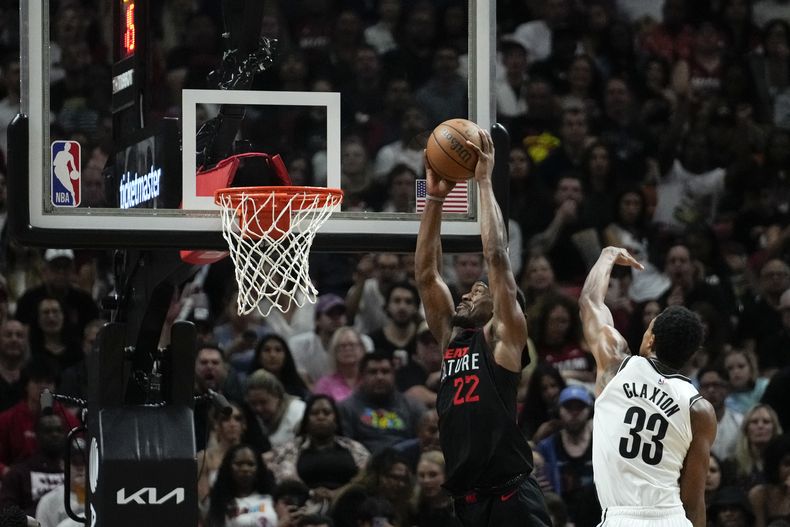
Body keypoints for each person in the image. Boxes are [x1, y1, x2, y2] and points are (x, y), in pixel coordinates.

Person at [414, 128, 551, 525]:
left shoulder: (503, 339)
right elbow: (426, 274)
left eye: (480, 290)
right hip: (467, 503)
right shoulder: (452, 337)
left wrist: (484, 181)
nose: (469, 293)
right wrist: (435, 198)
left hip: (511, 497)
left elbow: (495, 257)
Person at [579, 246, 717, 526]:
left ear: (651, 339)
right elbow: (693, 499)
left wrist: (607, 256)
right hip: (672, 518)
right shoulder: (700, 409)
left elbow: (590, 302)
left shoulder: (615, 365)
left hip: (621, 517)